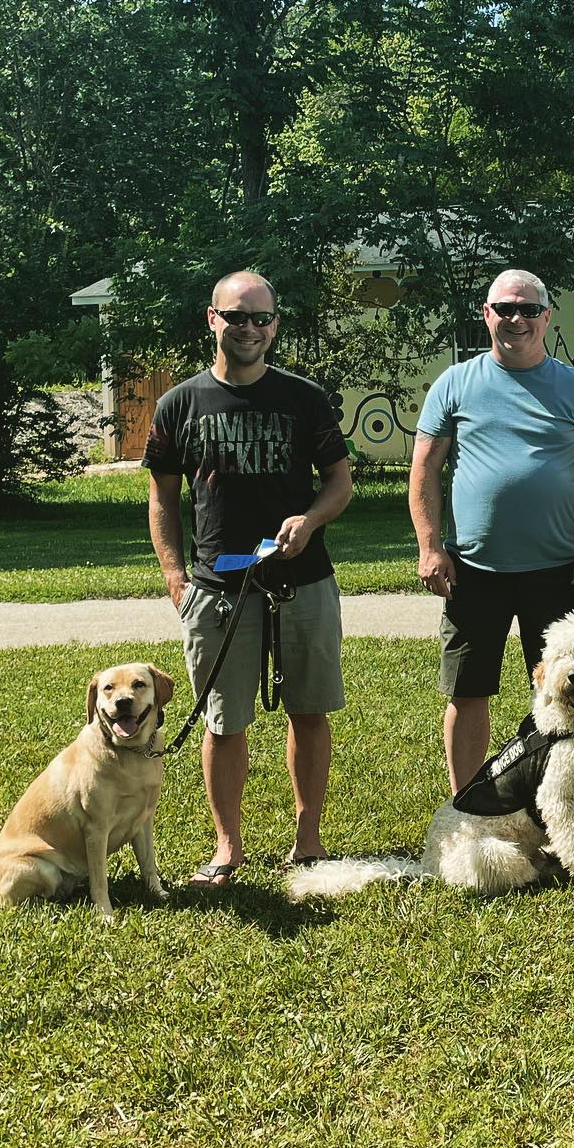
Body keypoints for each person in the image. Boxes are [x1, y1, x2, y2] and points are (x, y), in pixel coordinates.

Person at [146, 270, 352, 886]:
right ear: (213, 320)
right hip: (216, 589)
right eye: (237, 317)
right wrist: (176, 577)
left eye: (262, 319)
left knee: (309, 711)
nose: (250, 329)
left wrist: (311, 520)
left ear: (275, 326)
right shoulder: (179, 404)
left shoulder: (304, 398)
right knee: (223, 721)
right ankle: (227, 847)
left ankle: (307, 840)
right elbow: (162, 499)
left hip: (304, 581)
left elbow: (340, 484)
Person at [411, 270, 574, 792]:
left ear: (547, 317)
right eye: (505, 308)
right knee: (468, 691)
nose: (516, 318)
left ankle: (557, 797)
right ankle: (467, 803)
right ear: (487, 315)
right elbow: (424, 472)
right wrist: (430, 547)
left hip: (556, 571)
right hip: (472, 569)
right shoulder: (455, 384)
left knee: (562, 695)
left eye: (528, 309)